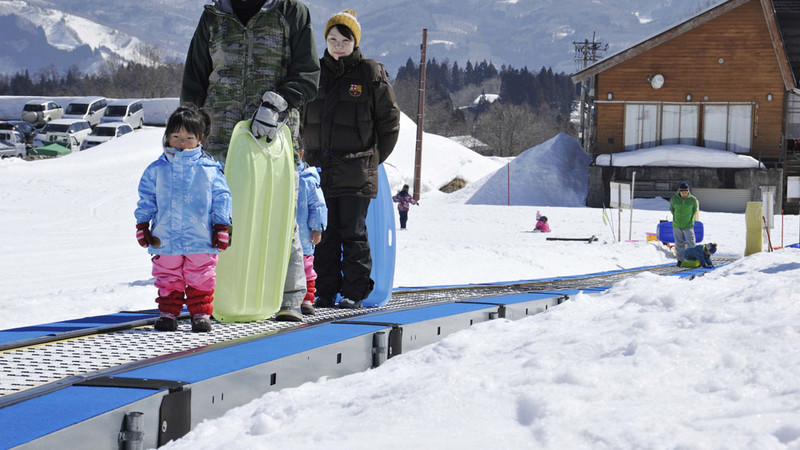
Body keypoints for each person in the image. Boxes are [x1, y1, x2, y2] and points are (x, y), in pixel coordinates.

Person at [180, 0, 321, 322]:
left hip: (271, 135)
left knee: (278, 214)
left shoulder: (290, 11)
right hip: (218, 134)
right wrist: (187, 128)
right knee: (214, 217)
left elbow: (308, 74)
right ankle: (208, 298)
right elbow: (195, 79)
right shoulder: (214, 16)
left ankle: (288, 298)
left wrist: (280, 103)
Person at [303, 9, 401, 309]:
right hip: (319, 170)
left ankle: (354, 293)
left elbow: (389, 122)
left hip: (356, 170)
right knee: (323, 233)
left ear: (355, 42)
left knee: (353, 234)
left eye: (344, 40)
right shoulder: (314, 72)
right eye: (332, 39)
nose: (338, 46)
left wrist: (372, 159)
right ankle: (325, 291)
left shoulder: (369, 73)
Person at [134, 105, 232, 332]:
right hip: (165, 236)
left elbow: (222, 198)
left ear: (200, 139)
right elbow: (147, 198)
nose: (182, 143)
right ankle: (168, 314)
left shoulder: (209, 169)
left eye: (189, 138)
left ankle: (200, 314)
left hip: (200, 236)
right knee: (168, 275)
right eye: (176, 136)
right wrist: (142, 224)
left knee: (201, 275)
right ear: (167, 136)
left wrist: (221, 226)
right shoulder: (156, 169)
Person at [296, 150, 327, 315]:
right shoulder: (280, 174)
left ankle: (307, 299)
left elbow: (318, 205)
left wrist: (317, 228)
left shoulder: (308, 178)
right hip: (284, 235)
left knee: (306, 267)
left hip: (304, 235)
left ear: (301, 153)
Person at [670, 181, 698, 266]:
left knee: (691, 243)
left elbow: (694, 210)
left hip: (688, 225)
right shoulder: (674, 199)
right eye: (682, 192)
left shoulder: (692, 199)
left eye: (686, 192)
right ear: (679, 191)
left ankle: (693, 260)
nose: (684, 194)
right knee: (679, 244)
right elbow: (672, 210)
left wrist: (688, 219)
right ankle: (680, 260)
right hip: (677, 225)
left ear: (688, 191)